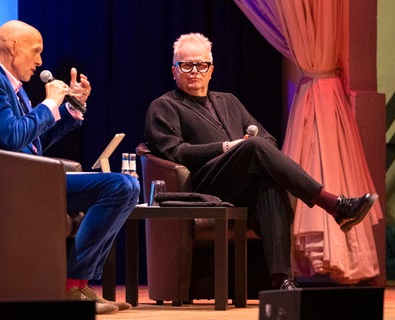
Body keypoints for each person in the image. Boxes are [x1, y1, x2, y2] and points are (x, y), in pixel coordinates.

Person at [144, 33, 378, 290]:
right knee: (252, 146)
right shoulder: (164, 106)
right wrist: (227, 147)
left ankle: (282, 281)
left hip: (241, 183)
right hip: (201, 185)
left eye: (201, 65)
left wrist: (247, 148)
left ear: (211, 70)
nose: (194, 71)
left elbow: (268, 139)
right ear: (173, 70)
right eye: (185, 65)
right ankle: (334, 204)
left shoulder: (228, 101)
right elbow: (175, 151)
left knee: (270, 183)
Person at [0, 20, 139, 314]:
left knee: (127, 186)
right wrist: (48, 103)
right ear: (13, 47)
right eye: (36, 51)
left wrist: (70, 107)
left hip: (26, 179)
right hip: (6, 185)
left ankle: (79, 287)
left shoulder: (14, 87)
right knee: (120, 185)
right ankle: (72, 287)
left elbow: (31, 141)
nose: (40, 61)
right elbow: (12, 135)